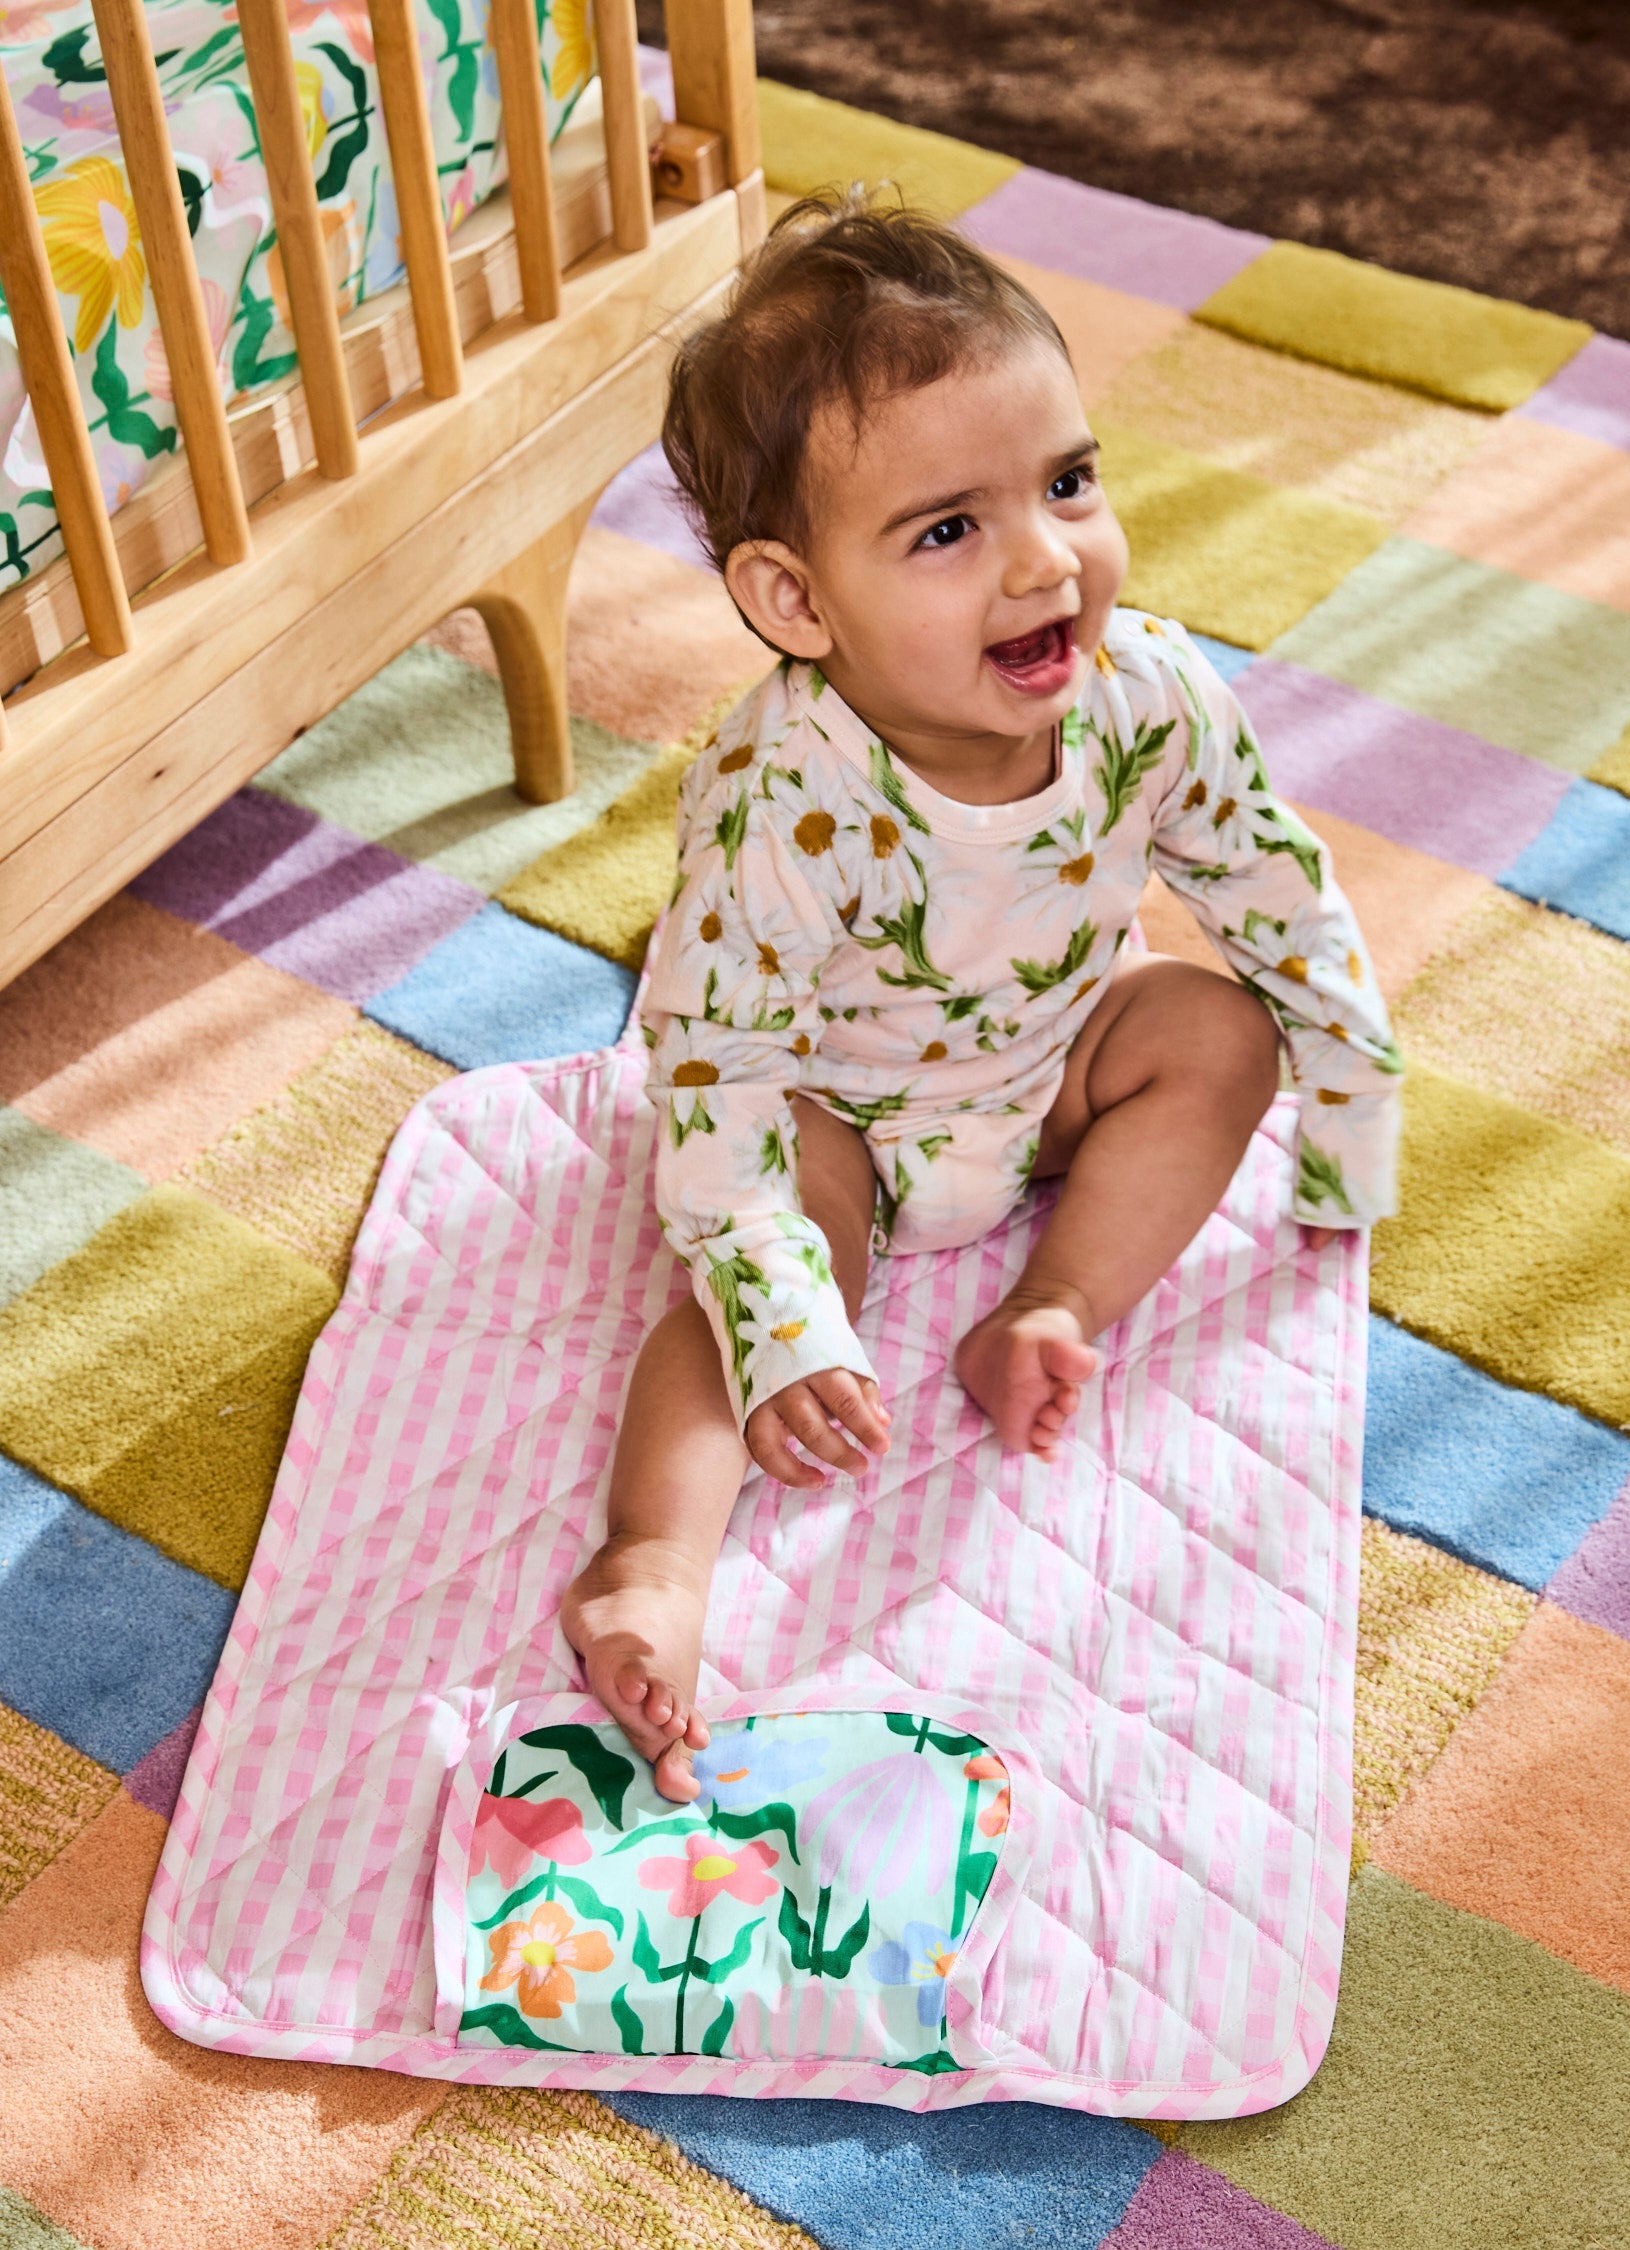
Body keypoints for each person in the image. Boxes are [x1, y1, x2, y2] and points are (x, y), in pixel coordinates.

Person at [561, 193, 1402, 1798]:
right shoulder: (777, 797)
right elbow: (717, 1079)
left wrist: (1351, 1099)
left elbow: (1273, 892)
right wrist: (784, 1309)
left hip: (1052, 1057)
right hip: (838, 1109)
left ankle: (1047, 1305)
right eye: (949, 529)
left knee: (1217, 1030)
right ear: (797, 603)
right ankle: (647, 1561)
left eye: (1069, 483)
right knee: (766, 1257)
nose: (1045, 561)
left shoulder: (1150, 699)